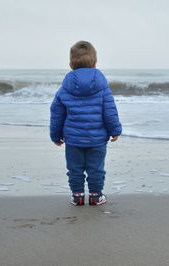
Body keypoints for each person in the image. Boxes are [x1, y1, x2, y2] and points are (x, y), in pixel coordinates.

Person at [50, 40, 122, 206]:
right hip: (97, 139)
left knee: (75, 169)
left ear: (70, 64)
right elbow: (109, 110)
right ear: (95, 63)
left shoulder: (65, 88)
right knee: (96, 168)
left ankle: (78, 196)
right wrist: (115, 130)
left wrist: (55, 136)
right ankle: (96, 196)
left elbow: (56, 113)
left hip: (73, 139)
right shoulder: (102, 86)